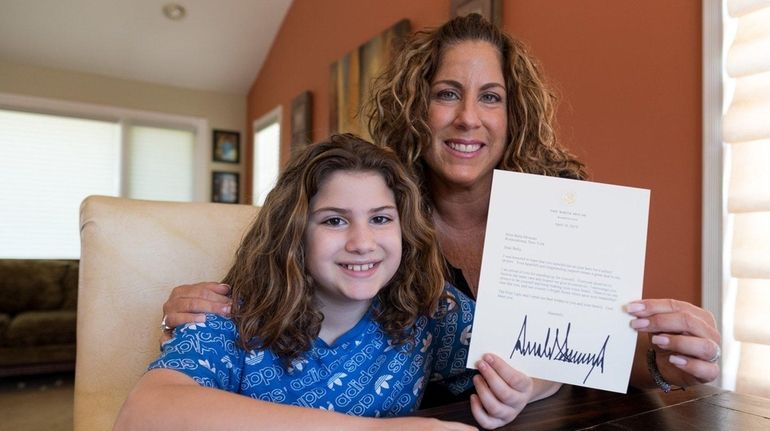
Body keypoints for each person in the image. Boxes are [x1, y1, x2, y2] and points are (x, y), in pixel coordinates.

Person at [161, 13, 721, 408]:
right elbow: (279, 294)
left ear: (515, 113)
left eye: (491, 96)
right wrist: (205, 311)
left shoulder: (555, 210)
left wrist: (665, 361)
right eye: (448, 93)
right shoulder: (380, 220)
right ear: (415, 104)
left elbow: (589, 352)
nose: (468, 118)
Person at [115, 134, 542, 431]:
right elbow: (142, 415)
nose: (362, 243)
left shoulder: (426, 306)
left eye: (380, 219)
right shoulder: (226, 313)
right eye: (335, 220)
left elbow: (543, 357)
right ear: (295, 231)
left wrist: (524, 388)